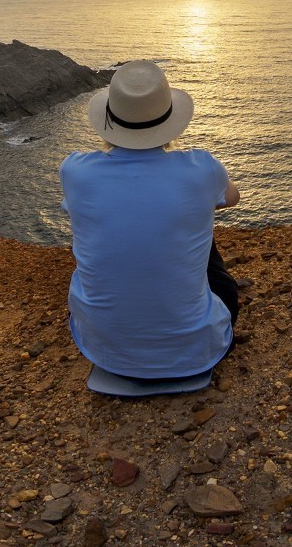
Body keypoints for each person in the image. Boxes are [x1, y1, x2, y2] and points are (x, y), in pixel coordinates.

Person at [59, 59, 240, 380]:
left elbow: (73, 208)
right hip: (199, 347)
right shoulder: (202, 167)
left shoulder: (75, 171)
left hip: (104, 346)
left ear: (109, 118)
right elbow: (231, 198)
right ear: (169, 119)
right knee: (200, 235)